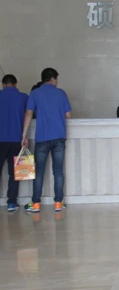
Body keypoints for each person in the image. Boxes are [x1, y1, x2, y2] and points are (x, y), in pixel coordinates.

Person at [21, 68, 72, 213]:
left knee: (39, 172)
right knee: (58, 171)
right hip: (59, 138)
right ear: (52, 79)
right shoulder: (61, 93)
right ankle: (58, 203)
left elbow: (28, 114)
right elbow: (68, 115)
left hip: (42, 138)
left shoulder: (35, 93)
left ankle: (36, 203)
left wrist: (24, 135)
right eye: (56, 79)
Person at [0, 74, 28, 212]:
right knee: (14, 173)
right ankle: (11, 202)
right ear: (16, 84)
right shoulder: (23, 97)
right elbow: (30, 114)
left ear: (3, 84)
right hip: (17, 140)